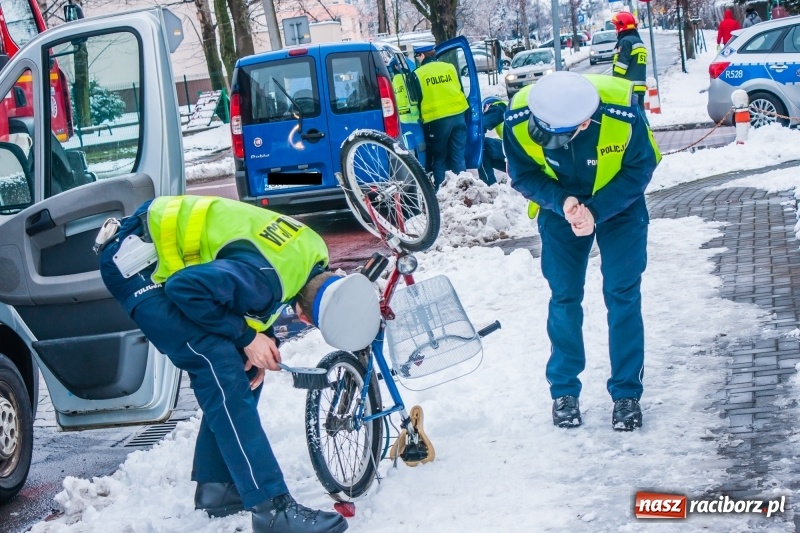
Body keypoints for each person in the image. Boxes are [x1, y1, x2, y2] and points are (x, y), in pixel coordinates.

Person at [96, 195, 382, 533]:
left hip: (151, 241)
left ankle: (219, 488)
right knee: (216, 361)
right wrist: (246, 338)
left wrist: (260, 342)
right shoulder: (267, 281)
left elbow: (251, 286)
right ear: (305, 319)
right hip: (134, 262)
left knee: (243, 366)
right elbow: (184, 288)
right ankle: (272, 510)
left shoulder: (311, 252)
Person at [502, 72, 661, 431]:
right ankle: (564, 392)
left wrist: (597, 210)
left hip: (619, 205)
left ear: (585, 121)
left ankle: (625, 395)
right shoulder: (516, 118)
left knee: (622, 294)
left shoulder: (624, 116)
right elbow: (523, 174)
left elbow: (640, 168)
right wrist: (563, 202)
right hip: (561, 207)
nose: (550, 142)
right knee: (564, 296)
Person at [410, 43, 469, 189]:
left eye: (417, 57)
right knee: (458, 157)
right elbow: (459, 89)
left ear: (421, 55)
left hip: (436, 121)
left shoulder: (418, 74)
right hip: (459, 115)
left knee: (439, 158)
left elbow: (416, 100)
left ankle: (442, 192)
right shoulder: (449, 67)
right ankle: (464, 190)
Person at [611, 11, 648, 110]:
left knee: (632, 120)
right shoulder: (638, 41)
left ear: (621, 27)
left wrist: (613, 84)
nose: (615, 30)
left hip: (628, 88)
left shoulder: (625, 42)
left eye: (615, 27)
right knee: (640, 117)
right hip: (639, 88)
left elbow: (620, 68)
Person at [478, 96, 507, 185]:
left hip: (517, 150)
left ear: (487, 106)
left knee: (482, 145)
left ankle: (489, 185)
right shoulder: (508, 108)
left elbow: (480, 128)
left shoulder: (498, 106)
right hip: (523, 151)